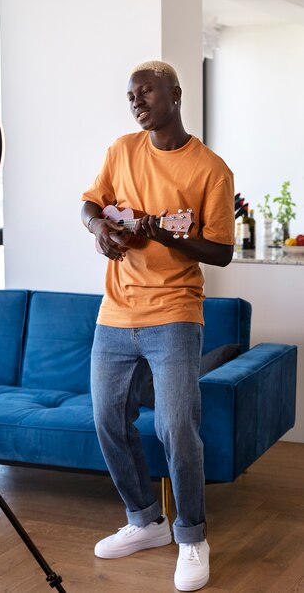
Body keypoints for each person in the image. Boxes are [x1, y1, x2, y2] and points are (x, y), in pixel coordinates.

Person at [81, 60, 234, 592]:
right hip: (115, 311)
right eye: (130, 94)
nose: (136, 100)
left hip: (175, 311)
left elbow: (221, 252)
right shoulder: (121, 149)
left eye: (145, 91)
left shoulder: (211, 169)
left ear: (176, 93)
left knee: (175, 426)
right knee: (107, 418)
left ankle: (192, 537)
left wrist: (165, 236)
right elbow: (88, 202)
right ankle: (144, 521)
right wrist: (99, 226)